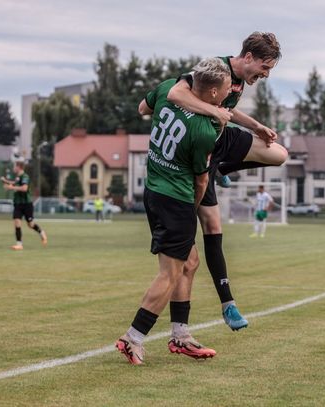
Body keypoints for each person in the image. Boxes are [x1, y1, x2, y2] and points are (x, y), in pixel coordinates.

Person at [140, 32, 287, 332]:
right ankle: (227, 303)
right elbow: (176, 95)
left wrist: (257, 126)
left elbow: (227, 111)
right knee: (212, 226)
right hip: (200, 146)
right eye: (264, 67)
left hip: (218, 142)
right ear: (248, 57)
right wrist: (215, 113)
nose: (265, 74)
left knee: (279, 154)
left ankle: (221, 169)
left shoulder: (239, 81)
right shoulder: (213, 69)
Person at [116, 57, 232, 365]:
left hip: (153, 190)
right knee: (170, 273)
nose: (228, 95)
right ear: (212, 93)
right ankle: (133, 338)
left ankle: (181, 335)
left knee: (190, 262)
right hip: (176, 199)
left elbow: (143, 108)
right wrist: (191, 211)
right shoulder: (204, 129)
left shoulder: (169, 88)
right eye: (226, 90)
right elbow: (202, 180)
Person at [1, 161, 47, 250]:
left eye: (15, 166)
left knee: (30, 224)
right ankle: (19, 244)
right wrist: (5, 181)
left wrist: (11, 187)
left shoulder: (25, 176)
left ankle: (41, 232)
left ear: (19, 167)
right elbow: (14, 183)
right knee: (17, 222)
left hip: (27, 204)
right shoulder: (18, 178)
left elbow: (24, 188)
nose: (13, 168)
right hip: (18, 204)